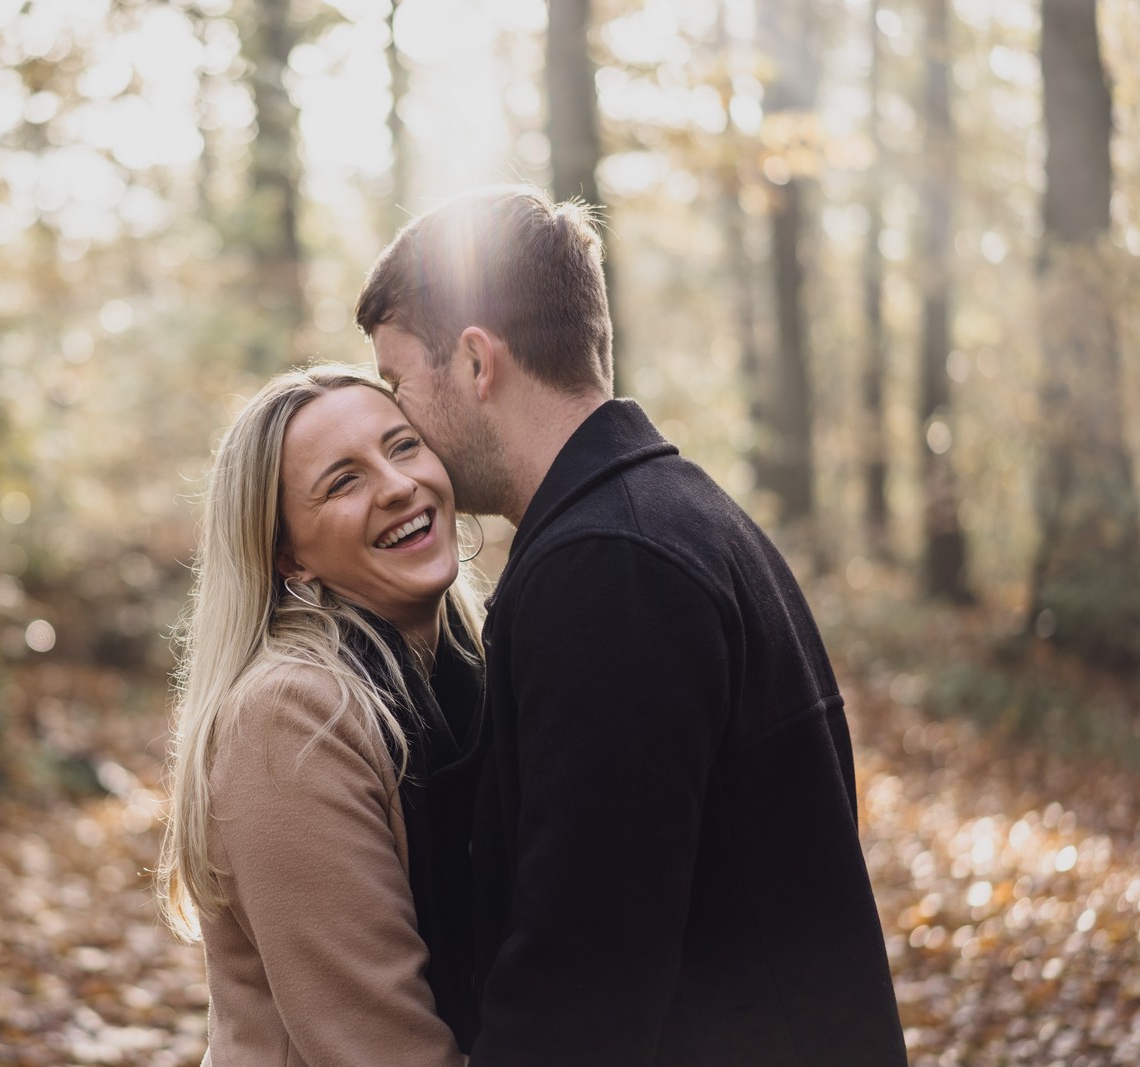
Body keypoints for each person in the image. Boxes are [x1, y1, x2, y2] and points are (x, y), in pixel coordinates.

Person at [355, 185, 908, 1066]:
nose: (396, 420)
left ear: (474, 362)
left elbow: (583, 969)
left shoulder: (611, 567)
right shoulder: (670, 517)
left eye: (396, 382)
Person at [157, 366, 485, 1066]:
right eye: (343, 481)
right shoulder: (290, 715)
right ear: (288, 558)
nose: (398, 485)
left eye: (402, 447)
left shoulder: (471, 667)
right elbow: (381, 1047)